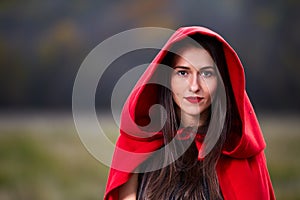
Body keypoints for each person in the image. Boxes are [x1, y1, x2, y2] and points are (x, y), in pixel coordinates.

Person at [104, 26, 275, 200]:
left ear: (223, 81)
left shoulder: (240, 153)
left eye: (207, 73)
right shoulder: (138, 146)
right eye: (183, 72)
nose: (194, 86)